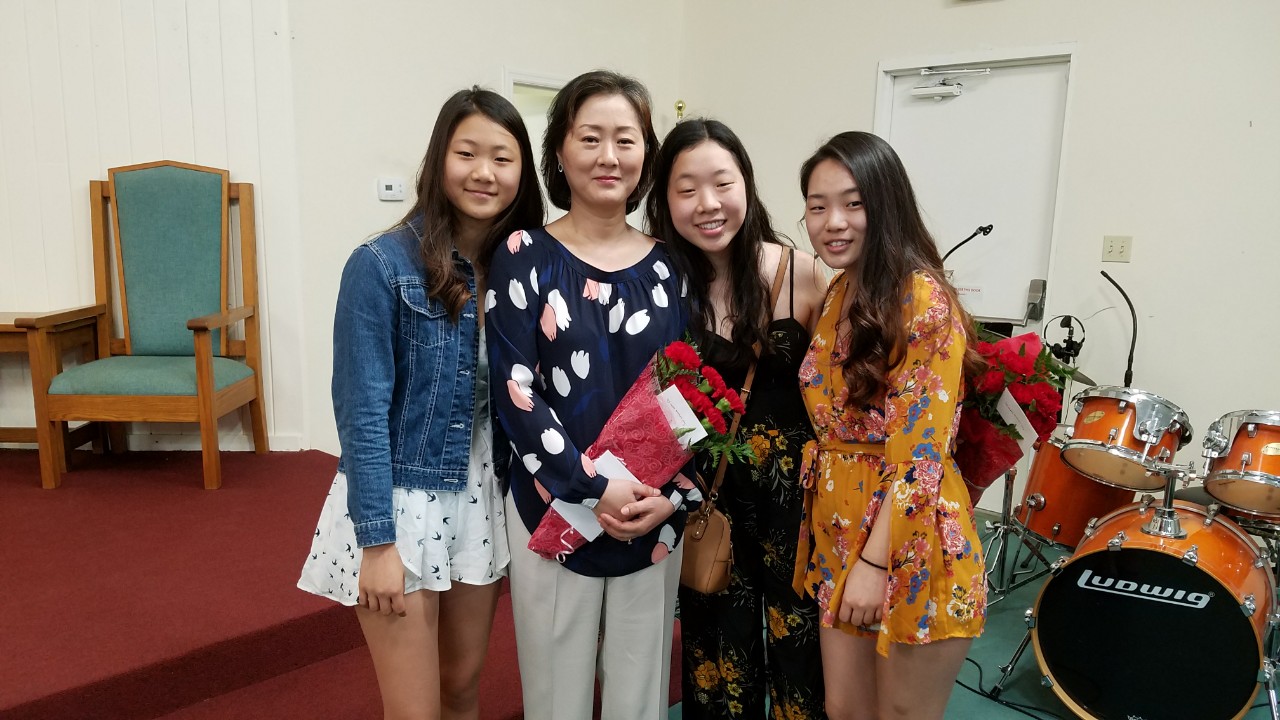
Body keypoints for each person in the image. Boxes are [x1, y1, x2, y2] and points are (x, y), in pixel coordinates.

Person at [298, 87, 544, 720]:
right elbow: (361, 415)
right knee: (414, 710)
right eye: (467, 153)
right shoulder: (379, 264)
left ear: (523, 172)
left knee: (462, 688)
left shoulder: (521, 268)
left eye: (502, 158)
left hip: (480, 493)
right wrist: (378, 543)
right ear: (439, 160)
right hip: (403, 501)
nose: (484, 172)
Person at [485, 69, 690, 720]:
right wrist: (591, 485)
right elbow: (514, 389)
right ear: (559, 151)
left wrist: (672, 496)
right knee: (555, 698)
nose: (609, 156)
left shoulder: (672, 265)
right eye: (590, 138)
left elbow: (690, 392)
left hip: (650, 509)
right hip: (552, 502)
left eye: (626, 140)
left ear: (646, 155)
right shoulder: (523, 254)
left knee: (640, 694)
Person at [792, 131, 987, 720]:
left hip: (908, 537)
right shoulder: (840, 291)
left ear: (886, 205)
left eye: (853, 203)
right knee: (844, 708)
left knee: (901, 714)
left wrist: (875, 566)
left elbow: (920, 454)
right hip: (840, 531)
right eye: (818, 206)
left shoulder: (921, 297)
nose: (833, 222)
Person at [645, 118, 829, 720]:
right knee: (716, 655)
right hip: (707, 501)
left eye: (722, 183)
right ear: (664, 198)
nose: (708, 204)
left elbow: (835, 395)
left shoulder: (799, 271)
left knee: (802, 654)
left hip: (794, 509)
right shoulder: (660, 283)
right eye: (687, 189)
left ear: (746, 183)